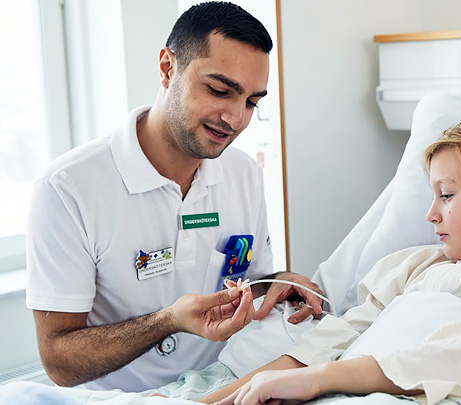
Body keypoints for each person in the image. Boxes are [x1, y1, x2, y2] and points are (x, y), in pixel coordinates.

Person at [199, 105, 461, 405]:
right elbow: (327, 345)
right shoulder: (414, 266)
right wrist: (218, 399)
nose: (431, 214)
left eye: (446, 195)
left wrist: (320, 379)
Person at [24, 1, 323, 393]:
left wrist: (279, 283)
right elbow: (59, 362)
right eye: (219, 90)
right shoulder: (67, 189)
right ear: (168, 67)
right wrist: (168, 321)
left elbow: (251, 281)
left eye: (252, 102)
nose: (236, 119)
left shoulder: (243, 174)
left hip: (223, 384)